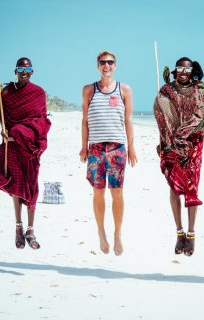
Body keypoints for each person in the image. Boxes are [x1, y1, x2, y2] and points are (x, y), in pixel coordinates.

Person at [0, 57, 51, 250]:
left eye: (27, 69)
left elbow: (41, 120)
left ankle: (31, 229)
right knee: (16, 186)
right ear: (15, 71)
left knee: (31, 185)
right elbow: (2, 115)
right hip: (12, 145)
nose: (24, 72)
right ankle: (18, 228)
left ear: (32, 72)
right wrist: (4, 130)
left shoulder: (38, 92)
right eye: (20, 68)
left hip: (30, 146)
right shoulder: (7, 92)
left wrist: (24, 134)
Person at [153, 57, 204, 256]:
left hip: (193, 145)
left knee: (192, 187)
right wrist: (163, 143)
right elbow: (163, 120)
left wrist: (184, 135)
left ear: (192, 71)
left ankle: (191, 234)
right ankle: (179, 233)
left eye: (187, 69)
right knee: (174, 188)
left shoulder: (201, 91)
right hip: (171, 144)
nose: (183, 72)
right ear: (175, 71)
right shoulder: (166, 92)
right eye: (179, 68)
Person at [79, 51, 137, 256]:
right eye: (103, 62)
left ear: (115, 65)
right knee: (97, 192)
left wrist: (131, 147)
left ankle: (117, 233)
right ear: (97, 65)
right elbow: (85, 120)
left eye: (110, 62)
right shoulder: (89, 90)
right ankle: (101, 231)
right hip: (95, 148)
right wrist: (83, 145)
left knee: (117, 192)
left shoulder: (125, 90)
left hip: (117, 148)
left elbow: (128, 120)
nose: (107, 66)